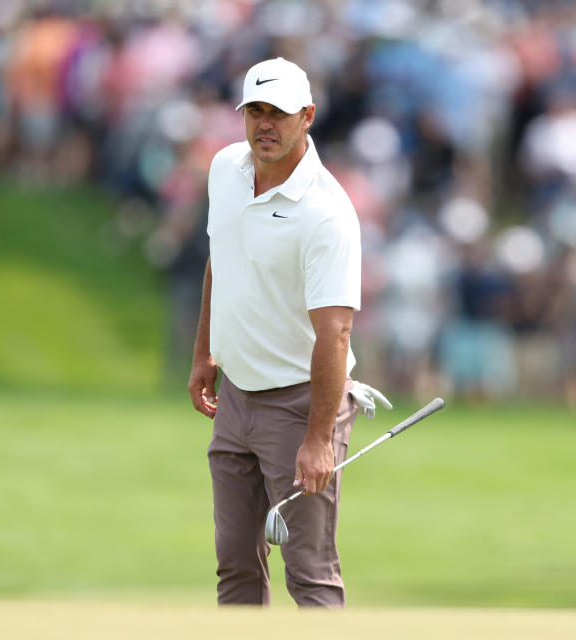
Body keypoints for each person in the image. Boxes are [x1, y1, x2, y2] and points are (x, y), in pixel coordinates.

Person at [187, 57, 389, 607]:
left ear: (308, 117)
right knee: (235, 566)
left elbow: (336, 333)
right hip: (236, 397)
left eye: (279, 113)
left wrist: (319, 438)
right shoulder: (226, 168)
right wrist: (206, 350)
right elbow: (220, 259)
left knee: (310, 571)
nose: (265, 125)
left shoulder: (325, 213)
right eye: (255, 110)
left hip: (300, 404)